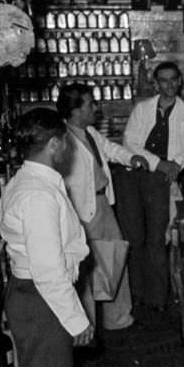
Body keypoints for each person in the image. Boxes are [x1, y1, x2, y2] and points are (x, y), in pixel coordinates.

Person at [0, 108, 94, 367]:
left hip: (37, 297)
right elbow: (49, 270)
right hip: (43, 301)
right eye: (65, 142)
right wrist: (77, 320)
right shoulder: (36, 194)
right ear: (54, 143)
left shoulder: (31, 181)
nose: (68, 148)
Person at [57, 83, 149, 331]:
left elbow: (109, 149)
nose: (95, 108)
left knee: (115, 257)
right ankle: (89, 327)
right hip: (81, 210)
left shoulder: (89, 132)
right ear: (75, 111)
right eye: (90, 104)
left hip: (102, 203)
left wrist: (131, 158)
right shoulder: (63, 138)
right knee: (86, 268)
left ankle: (119, 318)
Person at [119, 61, 184, 313]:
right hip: (135, 177)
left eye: (173, 80)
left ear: (179, 81)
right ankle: (137, 293)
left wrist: (177, 162)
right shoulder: (142, 108)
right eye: (163, 80)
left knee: (158, 239)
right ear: (155, 84)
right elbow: (130, 142)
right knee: (134, 239)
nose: (169, 85)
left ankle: (158, 298)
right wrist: (159, 163)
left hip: (163, 181)